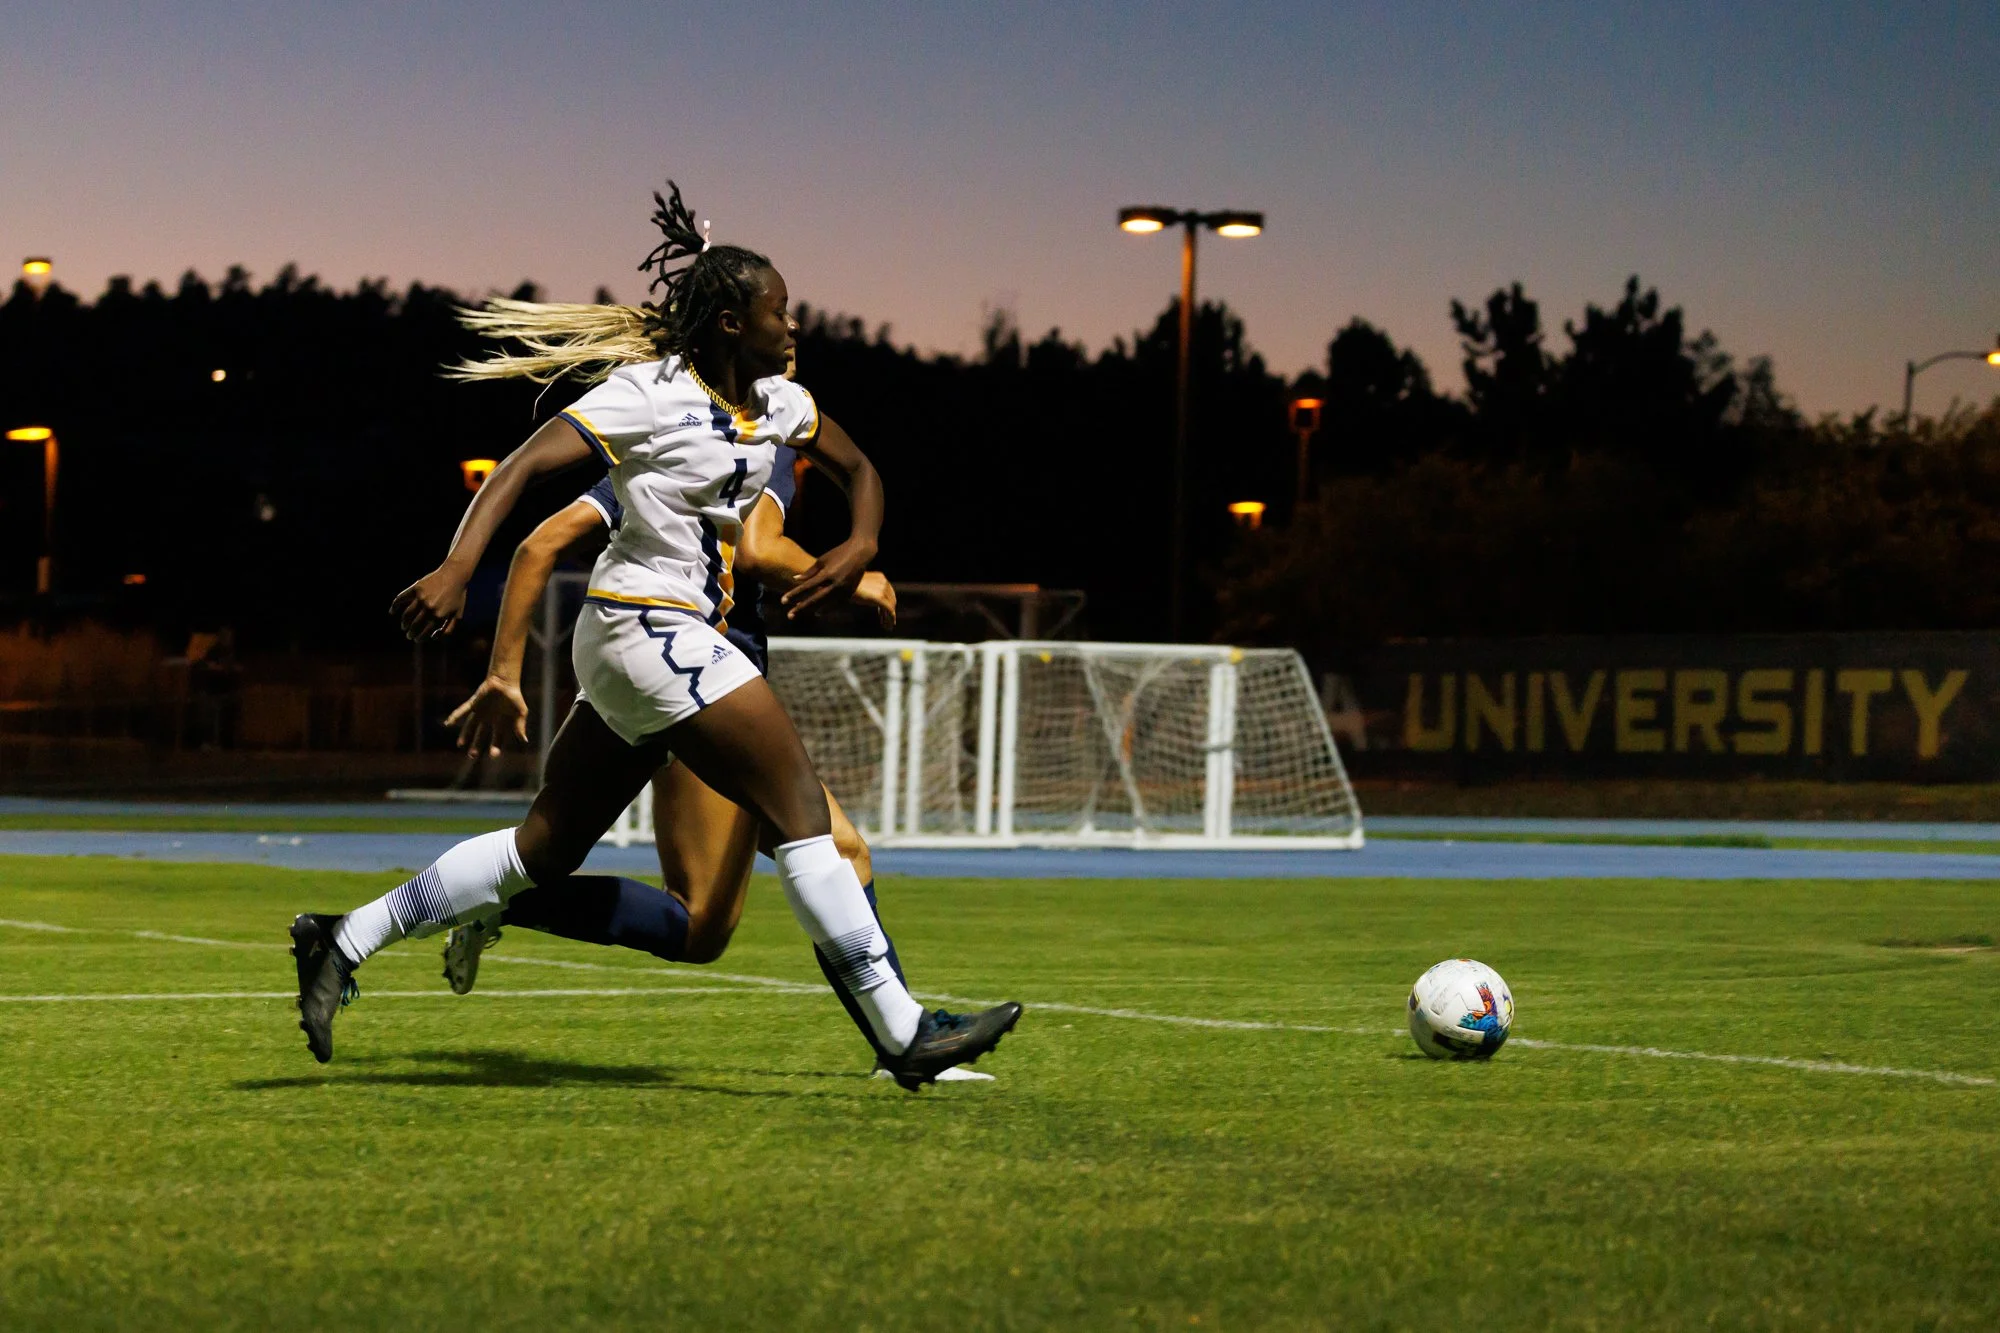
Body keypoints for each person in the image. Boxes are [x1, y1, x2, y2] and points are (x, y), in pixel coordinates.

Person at [288, 180, 1020, 1088]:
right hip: (649, 627)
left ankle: (343, 937)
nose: (793, 325)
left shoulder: (781, 405)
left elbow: (862, 469)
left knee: (545, 851)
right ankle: (904, 1036)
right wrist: (455, 568)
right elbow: (518, 471)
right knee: (802, 815)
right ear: (725, 323)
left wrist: (860, 541)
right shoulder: (647, 396)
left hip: (651, 647)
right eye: (777, 312)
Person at [438, 462, 991, 1082]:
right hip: (697, 687)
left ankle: (904, 1049)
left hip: (692, 673)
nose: (787, 363)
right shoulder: (754, 429)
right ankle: (905, 1051)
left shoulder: (720, 421)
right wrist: (846, 576)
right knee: (820, 860)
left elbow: (842, 478)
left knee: (707, 926)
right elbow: (758, 548)